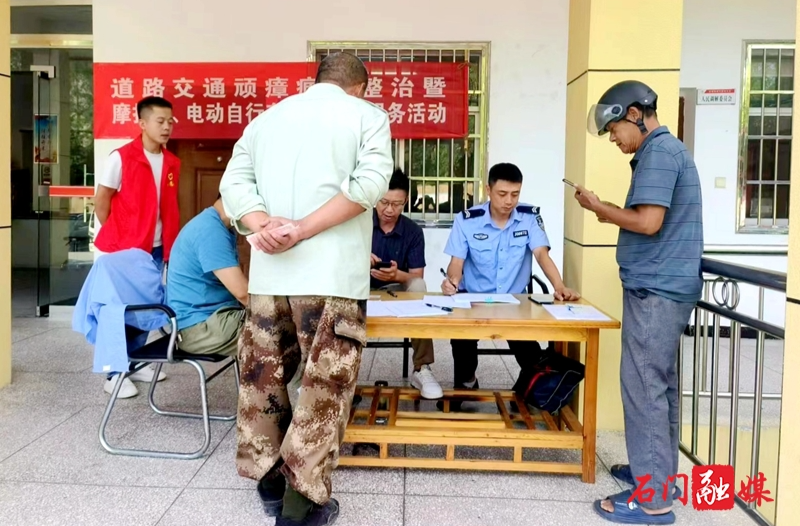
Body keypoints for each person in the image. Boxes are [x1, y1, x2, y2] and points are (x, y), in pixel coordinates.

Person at [219, 52, 393, 526]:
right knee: (324, 393)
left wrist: (264, 225)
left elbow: (233, 183)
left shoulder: (267, 119)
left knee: (263, 382)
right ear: (360, 87)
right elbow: (369, 186)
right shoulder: (368, 117)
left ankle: (271, 487)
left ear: (313, 81)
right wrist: (302, 229)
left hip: (269, 280)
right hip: (333, 281)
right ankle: (301, 508)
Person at [577, 80, 703, 525]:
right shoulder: (663, 154)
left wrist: (598, 207)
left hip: (657, 290)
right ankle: (658, 475)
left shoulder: (659, 154)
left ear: (634, 113)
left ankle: (653, 499)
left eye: (614, 128)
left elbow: (648, 223)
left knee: (644, 387)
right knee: (657, 386)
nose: (613, 138)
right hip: (662, 286)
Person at [440, 162, 580, 411]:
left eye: (515, 194)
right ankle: (467, 383)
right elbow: (456, 263)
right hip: (473, 299)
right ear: (488, 190)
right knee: (462, 345)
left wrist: (559, 286)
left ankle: (528, 388)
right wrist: (452, 281)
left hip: (516, 302)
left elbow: (541, 255)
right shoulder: (467, 220)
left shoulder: (529, 217)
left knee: (529, 352)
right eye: (502, 194)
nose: (509, 201)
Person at [93, 96, 180, 398]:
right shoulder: (121, 157)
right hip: (124, 251)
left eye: (170, 121)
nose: (167, 126)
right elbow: (101, 202)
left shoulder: (171, 162)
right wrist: (119, 239)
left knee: (145, 308)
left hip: (155, 249)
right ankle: (113, 374)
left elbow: (167, 208)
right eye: (160, 121)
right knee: (119, 312)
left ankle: (135, 361)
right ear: (142, 123)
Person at [370, 168, 442, 399]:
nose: (389, 210)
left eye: (397, 204)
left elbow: (415, 277)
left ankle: (422, 368)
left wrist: (396, 276)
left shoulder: (412, 231)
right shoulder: (357, 224)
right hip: (359, 287)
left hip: (395, 289)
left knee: (420, 288)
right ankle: (336, 369)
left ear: (406, 201)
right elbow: (336, 266)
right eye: (384, 202)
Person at [166, 195, 248, 359]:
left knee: (284, 323)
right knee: (278, 328)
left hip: (211, 320)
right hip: (200, 328)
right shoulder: (210, 231)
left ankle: (297, 383)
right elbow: (243, 293)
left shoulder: (215, 226)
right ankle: (300, 384)